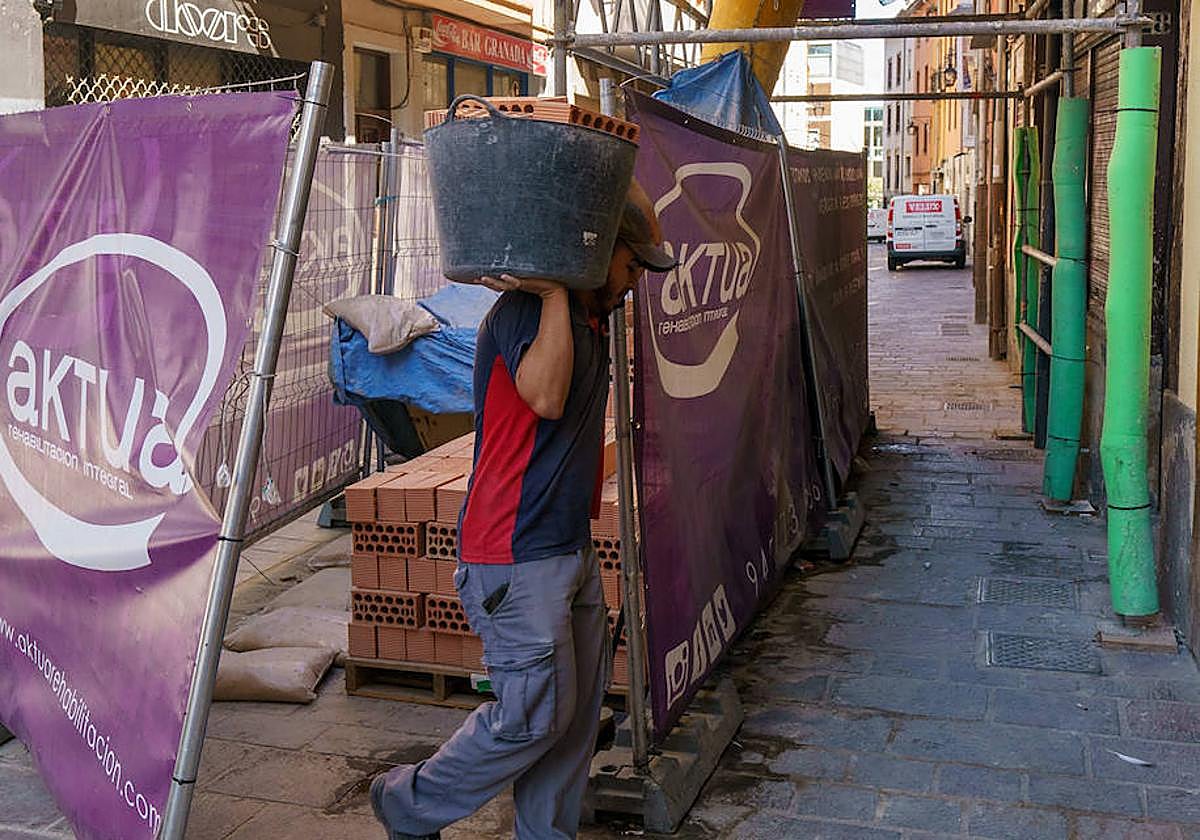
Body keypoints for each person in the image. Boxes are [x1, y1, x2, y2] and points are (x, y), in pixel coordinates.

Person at [370, 188, 676, 840]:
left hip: (567, 548)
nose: (633, 285)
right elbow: (545, 395)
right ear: (598, 254)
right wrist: (557, 291)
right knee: (531, 718)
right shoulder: (528, 313)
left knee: (573, 718)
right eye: (630, 267)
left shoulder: (591, 317)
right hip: (512, 552)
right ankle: (408, 804)